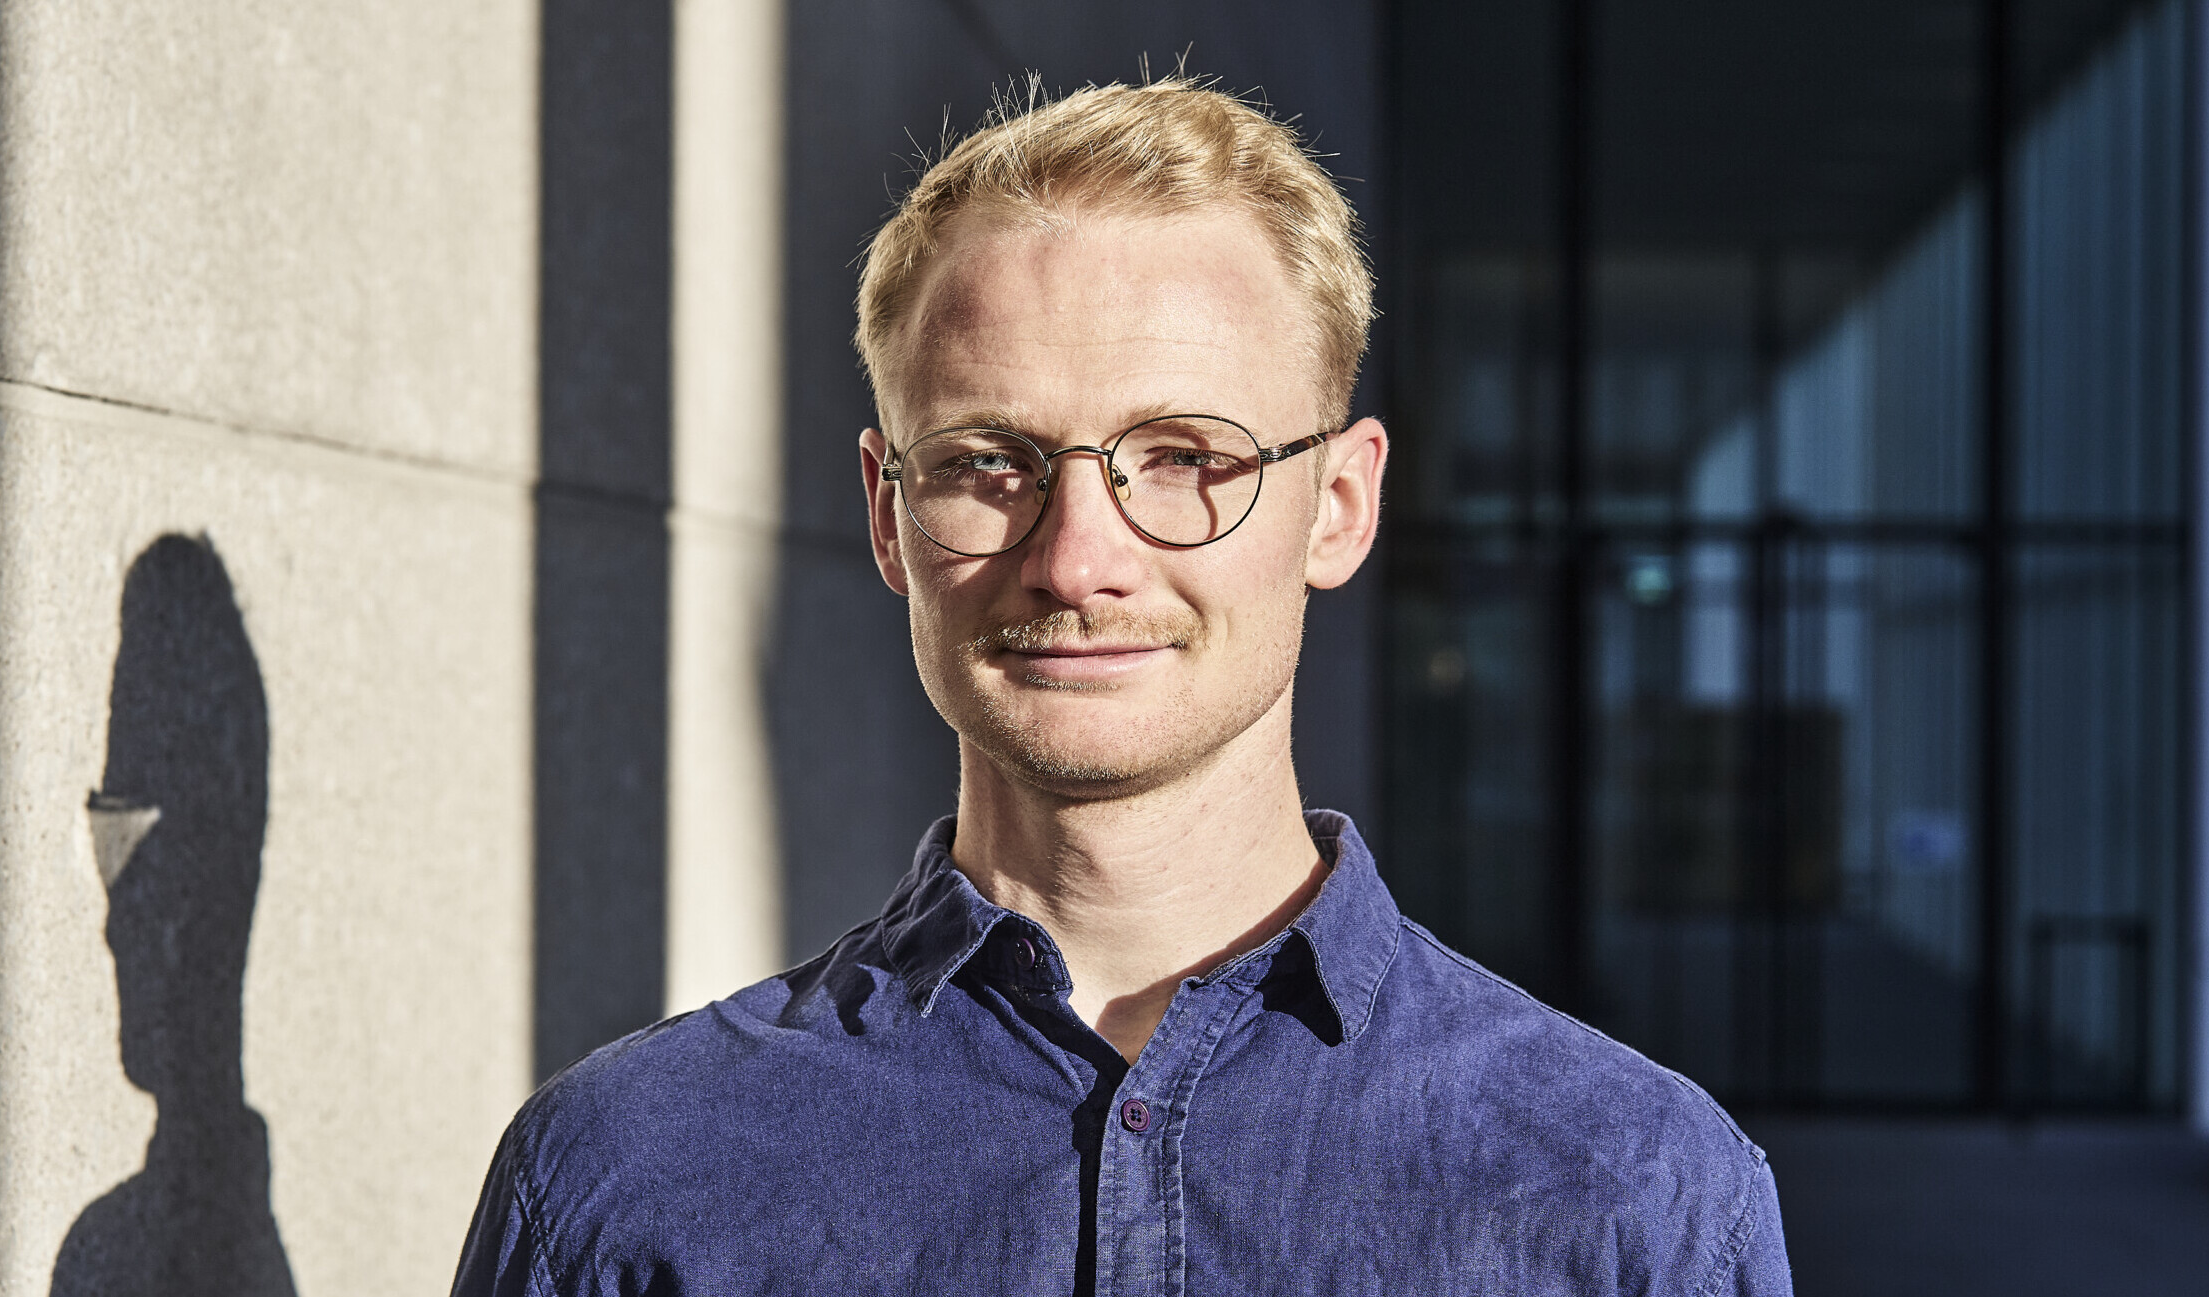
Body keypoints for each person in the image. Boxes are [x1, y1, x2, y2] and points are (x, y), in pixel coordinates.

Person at [453, 78, 1793, 1296]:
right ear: (887, 513)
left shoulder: (1632, 1197)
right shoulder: (624, 1189)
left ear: (1338, 503)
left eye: (1184, 457)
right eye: (990, 461)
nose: (1078, 556)